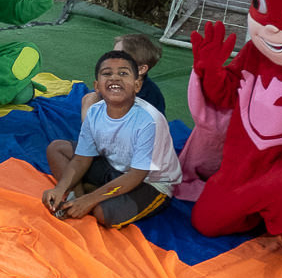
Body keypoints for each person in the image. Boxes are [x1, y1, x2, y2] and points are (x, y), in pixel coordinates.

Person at [42, 50, 180, 228]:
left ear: (137, 85)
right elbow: (82, 158)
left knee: (103, 213)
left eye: (123, 73)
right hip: (113, 166)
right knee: (56, 148)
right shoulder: (95, 111)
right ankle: (76, 197)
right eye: (107, 73)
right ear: (97, 86)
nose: (115, 78)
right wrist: (60, 188)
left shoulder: (149, 121)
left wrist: (91, 200)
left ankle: (88, 196)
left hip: (149, 182)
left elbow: (136, 175)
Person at [80, 33, 166, 120]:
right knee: (90, 98)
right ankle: (88, 127)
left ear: (141, 69)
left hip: (133, 123)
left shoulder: (149, 95)